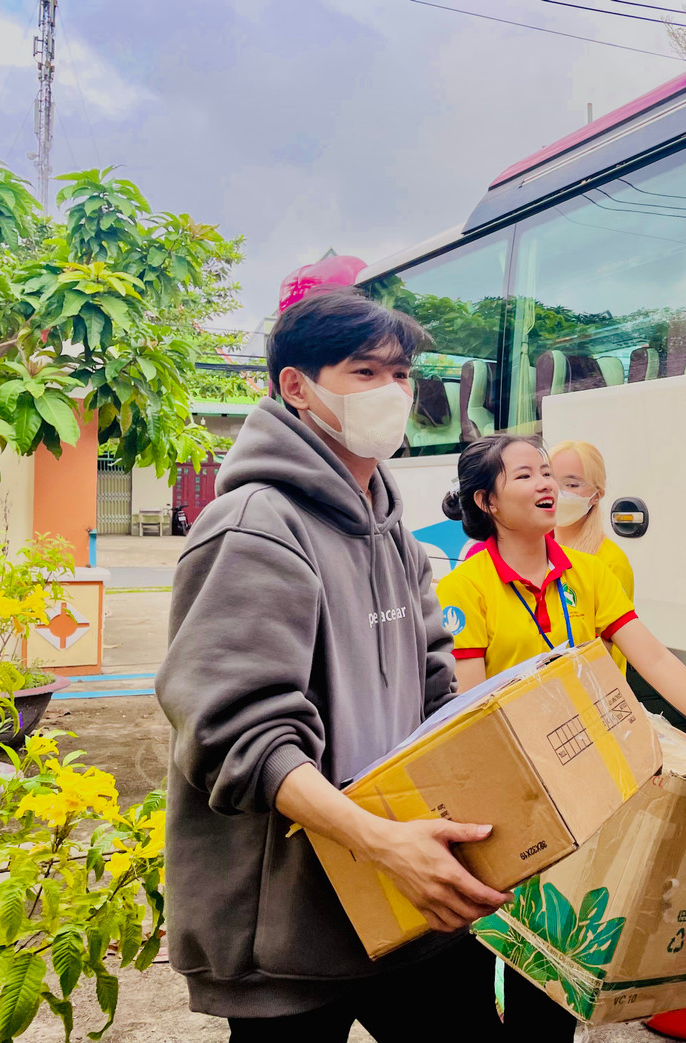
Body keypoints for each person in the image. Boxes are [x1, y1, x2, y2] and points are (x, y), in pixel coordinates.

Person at [157, 290, 517, 1041]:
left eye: (402, 373)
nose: (393, 392)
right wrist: (380, 841)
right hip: (288, 933)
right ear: (296, 386)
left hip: (403, 896)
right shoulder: (255, 525)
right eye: (365, 372)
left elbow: (434, 687)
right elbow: (237, 736)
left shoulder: (394, 533)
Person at [435, 433, 686, 1037]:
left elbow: (657, 662)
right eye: (525, 475)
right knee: (505, 970)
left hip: (595, 792)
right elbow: (470, 714)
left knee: (560, 980)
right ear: (486, 501)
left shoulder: (592, 574)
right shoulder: (465, 589)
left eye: (547, 472)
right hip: (517, 804)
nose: (546, 485)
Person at [549, 439, 634, 673]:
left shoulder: (609, 561)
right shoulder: (536, 553)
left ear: (596, 495)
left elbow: (606, 647)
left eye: (572, 484)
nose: (558, 492)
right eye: (550, 479)